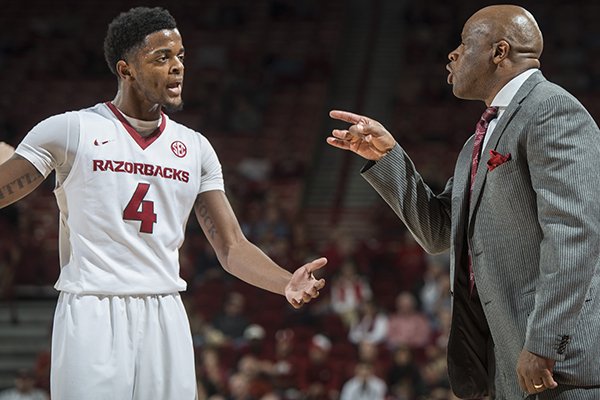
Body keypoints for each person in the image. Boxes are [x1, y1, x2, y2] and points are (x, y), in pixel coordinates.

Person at [0, 7, 326, 400]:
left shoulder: (195, 147)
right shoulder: (72, 130)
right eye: (162, 58)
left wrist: (284, 282)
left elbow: (231, 246)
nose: (177, 68)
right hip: (92, 309)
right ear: (126, 69)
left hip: (166, 310)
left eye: (181, 56)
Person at [327, 4, 600, 400]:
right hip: (507, 363)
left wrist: (543, 341)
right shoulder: (479, 139)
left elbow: (575, 234)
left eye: (464, 43)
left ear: (499, 52)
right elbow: (440, 232)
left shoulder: (551, 110)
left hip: (559, 368)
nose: (452, 54)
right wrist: (387, 159)